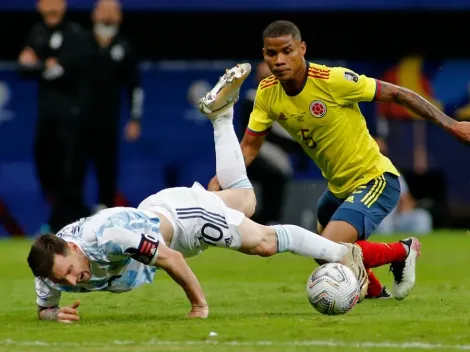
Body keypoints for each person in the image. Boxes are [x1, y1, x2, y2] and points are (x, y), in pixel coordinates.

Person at [27, 64, 374, 323]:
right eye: (64, 279)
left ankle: (342, 253)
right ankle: (221, 117)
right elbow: (45, 307)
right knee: (245, 201)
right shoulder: (51, 267)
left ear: (73, 248)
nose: (74, 280)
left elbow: (172, 260)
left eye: (70, 270)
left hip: (182, 223)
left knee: (264, 243)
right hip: (158, 212)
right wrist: (53, 316)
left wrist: (198, 306)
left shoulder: (110, 238)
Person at [205, 21, 470, 300]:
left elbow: (397, 93)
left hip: (375, 180)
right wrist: (221, 180)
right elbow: (248, 147)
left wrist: (451, 125)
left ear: (302, 49)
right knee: (321, 253)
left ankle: (403, 251)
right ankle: (377, 295)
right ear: (264, 54)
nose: (280, 60)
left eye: (287, 51)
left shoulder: (333, 80)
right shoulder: (267, 93)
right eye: (272, 54)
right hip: (338, 188)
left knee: (328, 245)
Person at [17, 0, 91, 232]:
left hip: (71, 115)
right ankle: (63, 219)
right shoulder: (37, 32)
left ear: (63, 5)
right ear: (39, 6)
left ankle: (70, 224)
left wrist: (38, 64)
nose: (51, 9)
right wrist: (43, 65)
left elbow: (64, 70)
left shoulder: (75, 33)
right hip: (46, 115)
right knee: (44, 164)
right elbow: (23, 68)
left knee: (70, 170)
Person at [86, 0, 143, 212]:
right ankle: (67, 220)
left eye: (113, 11)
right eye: (103, 10)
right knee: (71, 171)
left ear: (120, 17)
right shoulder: (81, 42)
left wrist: (135, 119)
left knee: (107, 170)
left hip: (108, 121)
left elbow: (134, 86)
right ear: (94, 14)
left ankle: (104, 215)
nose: (108, 16)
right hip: (77, 120)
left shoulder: (124, 45)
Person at [239, 61, 299, 225]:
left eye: (269, 77)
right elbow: (257, 133)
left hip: (281, 155)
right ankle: (262, 221)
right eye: (262, 78)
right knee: (273, 175)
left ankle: (269, 220)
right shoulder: (251, 99)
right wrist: (291, 144)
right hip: (256, 151)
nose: (265, 81)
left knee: (278, 174)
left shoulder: (288, 99)